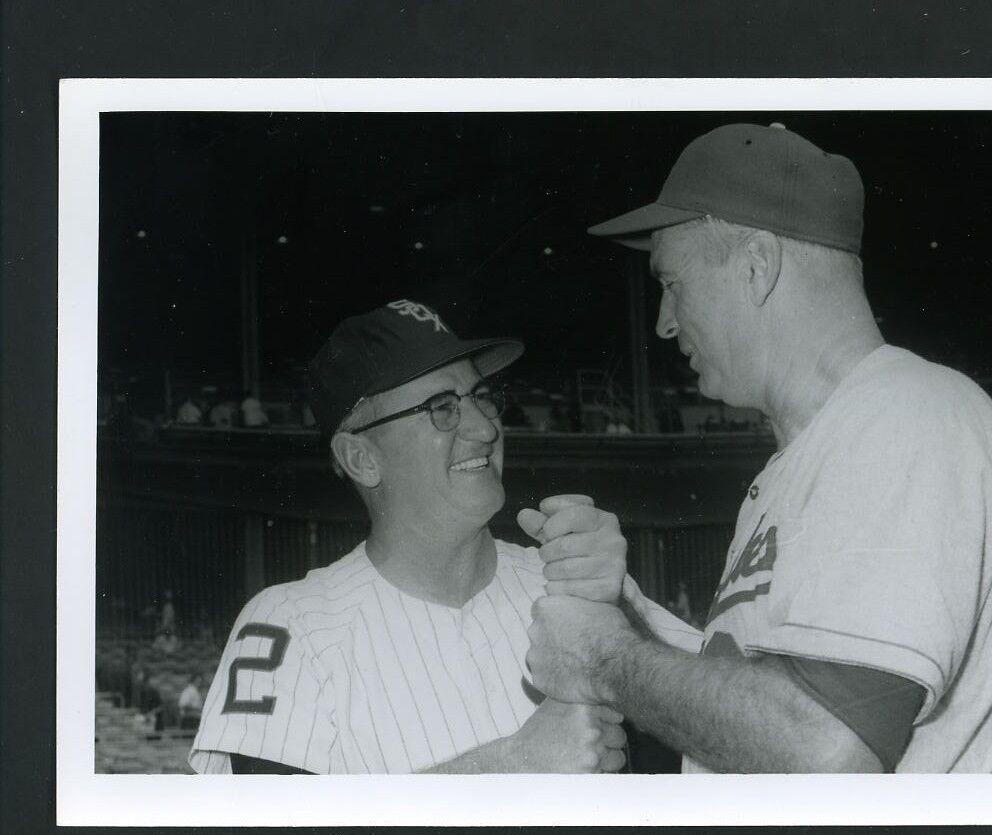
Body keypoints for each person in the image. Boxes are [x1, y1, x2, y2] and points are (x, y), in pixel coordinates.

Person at [524, 122, 992, 773]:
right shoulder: (829, 446)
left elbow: (825, 747)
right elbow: (767, 699)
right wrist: (626, 612)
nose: (663, 320)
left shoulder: (906, 418)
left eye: (672, 282)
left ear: (757, 265)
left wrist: (604, 659)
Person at [190, 299, 690, 774]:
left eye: (481, 398)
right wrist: (507, 768)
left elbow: (729, 748)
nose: (485, 428)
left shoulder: (573, 580)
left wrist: (615, 615)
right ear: (361, 458)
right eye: (441, 406)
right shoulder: (292, 623)